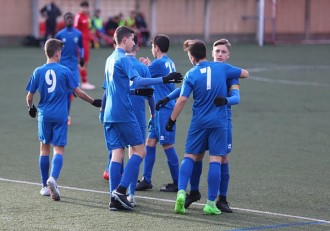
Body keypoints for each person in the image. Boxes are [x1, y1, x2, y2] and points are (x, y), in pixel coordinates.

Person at [103, 26, 182, 211]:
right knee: (139, 151)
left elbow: (113, 87)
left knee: (117, 154)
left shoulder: (109, 59)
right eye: (132, 39)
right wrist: (164, 79)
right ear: (124, 40)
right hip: (124, 113)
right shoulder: (123, 59)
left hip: (109, 113)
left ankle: (114, 199)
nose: (133, 42)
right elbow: (137, 80)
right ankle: (122, 191)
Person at [166, 39, 248, 215]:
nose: (220, 54)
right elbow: (246, 74)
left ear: (228, 55)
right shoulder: (221, 69)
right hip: (218, 122)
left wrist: (171, 118)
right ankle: (199, 195)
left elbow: (237, 96)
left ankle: (221, 199)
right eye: (217, 51)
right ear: (210, 53)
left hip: (215, 122)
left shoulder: (227, 72)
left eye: (223, 52)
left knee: (214, 158)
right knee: (209, 159)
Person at [25, 38, 102, 201]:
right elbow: (79, 93)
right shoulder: (65, 70)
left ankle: (45, 187)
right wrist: (93, 101)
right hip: (60, 115)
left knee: (44, 149)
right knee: (58, 149)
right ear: (58, 53)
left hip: (44, 115)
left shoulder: (38, 71)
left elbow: (30, 96)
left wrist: (31, 108)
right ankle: (53, 178)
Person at [136, 34, 180, 193]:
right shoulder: (168, 62)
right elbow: (152, 72)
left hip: (164, 110)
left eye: (153, 46)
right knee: (150, 143)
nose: (152, 49)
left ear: (156, 47)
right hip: (158, 111)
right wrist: (148, 64)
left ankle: (178, 183)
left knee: (167, 145)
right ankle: (146, 180)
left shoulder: (159, 63)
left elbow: (140, 76)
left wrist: (142, 64)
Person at [55, 12, 84, 125]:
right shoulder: (60, 35)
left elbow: (81, 47)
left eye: (71, 18)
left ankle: (66, 114)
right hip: (62, 66)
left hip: (73, 67)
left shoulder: (78, 34)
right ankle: (65, 115)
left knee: (75, 89)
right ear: (64, 20)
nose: (70, 20)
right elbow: (55, 49)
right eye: (68, 18)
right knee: (64, 93)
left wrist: (81, 57)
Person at [74, 1, 95, 90]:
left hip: (86, 41)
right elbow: (75, 29)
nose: (85, 8)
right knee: (81, 60)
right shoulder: (78, 16)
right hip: (81, 42)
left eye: (86, 7)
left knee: (85, 61)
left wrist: (92, 39)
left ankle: (82, 81)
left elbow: (88, 29)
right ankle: (84, 82)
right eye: (83, 7)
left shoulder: (87, 17)